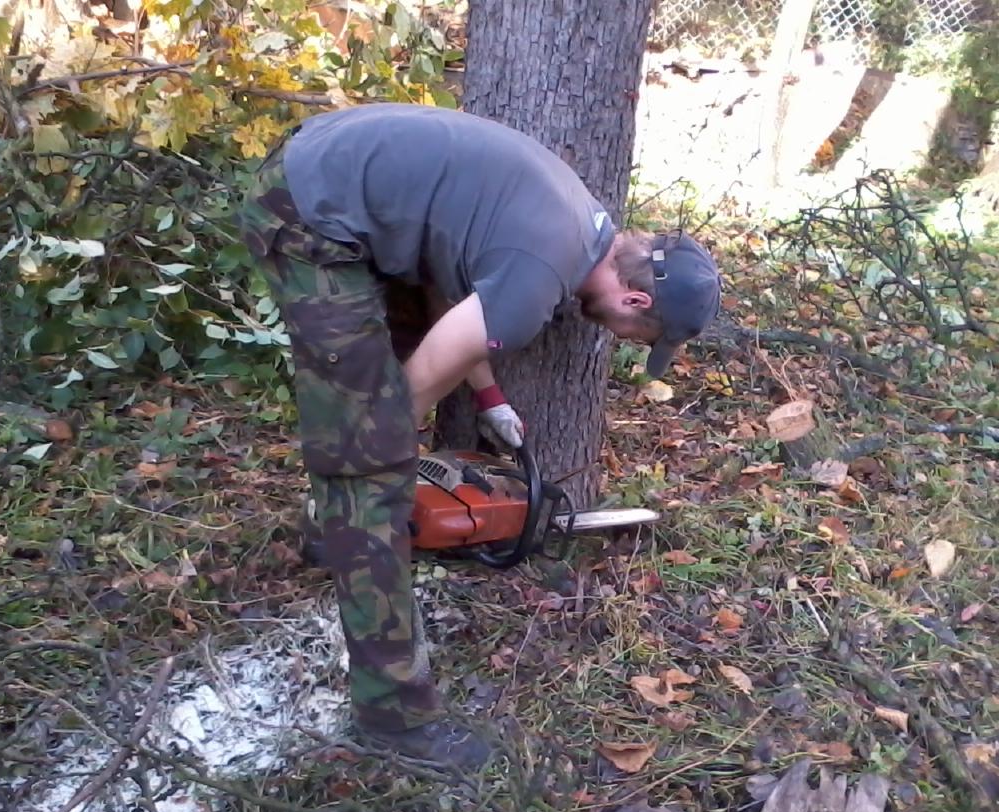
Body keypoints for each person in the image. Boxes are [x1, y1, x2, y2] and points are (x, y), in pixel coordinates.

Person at [237, 103, 721, 770]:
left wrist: (489, 396)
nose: (627, 342)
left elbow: (449, 289)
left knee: (382, 396)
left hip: (337, 171)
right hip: (310, 212)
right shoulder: (538, 279)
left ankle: (335, 529)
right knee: (374, 458)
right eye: (643, 338)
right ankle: (393, 718)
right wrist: (374, 450)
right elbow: (424, 380)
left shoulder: (577, 223)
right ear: (636, 302)